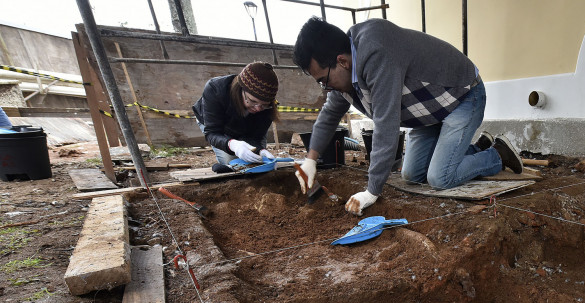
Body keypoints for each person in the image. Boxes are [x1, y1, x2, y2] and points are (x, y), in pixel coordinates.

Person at [292, 17, 523, 215]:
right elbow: (329, 115)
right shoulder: (344, 72)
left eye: (324, 80)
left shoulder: (376, 51)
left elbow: (386, 125)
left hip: (463, 96)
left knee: (440, 178)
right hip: (429, 111)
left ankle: (497, 154)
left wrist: (372, 191)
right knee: (412, 175)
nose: (326, 88)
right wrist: (311, 160)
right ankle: (471, 149)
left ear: (341, 61)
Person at [193, 61, 279, 167]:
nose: (258, 108)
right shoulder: (215, 89)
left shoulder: (268, 107)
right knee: (231, 161)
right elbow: (212, 133)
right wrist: (233, 144)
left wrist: (260, 150)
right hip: (216, 124)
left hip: (244, 127)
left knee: (256, 161)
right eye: (253, 101)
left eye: (264, 104)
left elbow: (256, 137)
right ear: (240, 89)